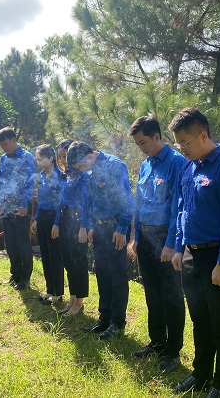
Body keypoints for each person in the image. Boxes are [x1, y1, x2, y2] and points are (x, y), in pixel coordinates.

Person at [169, 107, 220, 398]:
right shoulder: (189, 168)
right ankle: (201, 375)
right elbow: (182, 210)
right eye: (177, 143)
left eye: (184, 142)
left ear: (203, 135)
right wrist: (180, 248)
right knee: (200, 318)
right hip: (192, 254)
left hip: (218, 256)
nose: (181, 148)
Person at [128, 115, 187, 373]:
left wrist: (171, 244)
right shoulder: (146, 165)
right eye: (137, 145)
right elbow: (139, 203)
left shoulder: (176, 162)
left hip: (165, 237)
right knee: (152, 292)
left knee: (171, 295)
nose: (141, 148)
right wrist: (136, 237)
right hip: (145, 236)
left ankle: (172, 351)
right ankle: (156, 342)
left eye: (143, 142)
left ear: (156, 136)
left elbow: (178, 208)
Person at [67, 141, 134, 340]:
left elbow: (126, 200)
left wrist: (122, 228)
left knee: (116, 274)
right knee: (102, 272)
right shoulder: (88, 172)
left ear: (89, 155)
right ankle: (104, 317)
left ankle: (117, 322)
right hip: (98, 227)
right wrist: (89, 226)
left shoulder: (115, 165)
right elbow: (88, 200)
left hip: (115, 227)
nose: (81, 170)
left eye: (81, 165)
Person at [0, 127, 36, 290]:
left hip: (21, 205)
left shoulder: (27, 157)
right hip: (6, 205)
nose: (3, 148)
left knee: (22, 242)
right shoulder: (3, 158)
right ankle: (15, 275)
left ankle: (25, 278)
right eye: (1, 145)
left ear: (14, 140)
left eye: (5, 144)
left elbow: (30, 182)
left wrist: (24, 204)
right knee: (10, 242)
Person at [53, 139, 90, 316]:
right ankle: (72, 299)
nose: (64, 159)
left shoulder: (83, 175)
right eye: (61, 156)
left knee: (78, 261)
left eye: (66, 155)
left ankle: (79, 302)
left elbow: (85, 201)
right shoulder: (65, 175)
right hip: (65, 218)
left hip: (78, 219)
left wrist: (83, 226)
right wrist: (56, 223)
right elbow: (60, 201)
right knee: (68, 260)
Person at [31, 144, 64, 305]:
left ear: (51, 158)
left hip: (54, 218)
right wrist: (36, 219)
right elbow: (41, 200)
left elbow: (61, 203)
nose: (38, 162)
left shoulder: (59, 176)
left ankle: (58, 292)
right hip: (43, 216)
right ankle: (50, 289)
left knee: (54, 255)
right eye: (37, 159)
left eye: (41, 158)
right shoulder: (42, 176)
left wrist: (57, 223)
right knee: (45, 254)